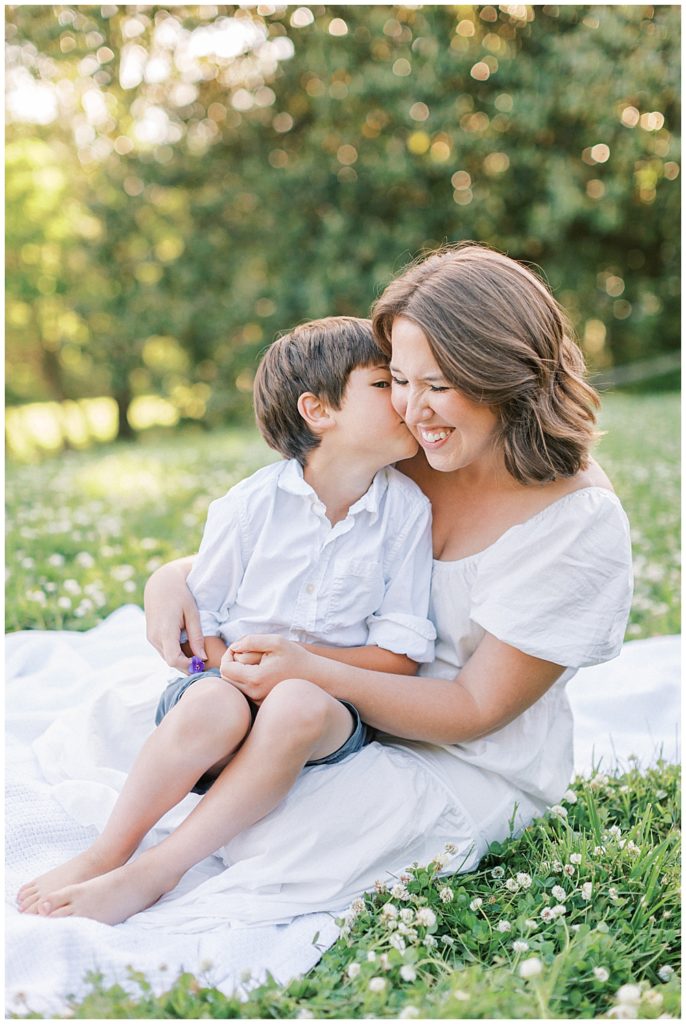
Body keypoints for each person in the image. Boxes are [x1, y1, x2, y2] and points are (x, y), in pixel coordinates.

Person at [21, 243, 633, 928]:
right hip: (324, 702)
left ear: (507, 375)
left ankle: (157, 871)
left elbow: (474, 707)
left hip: (456, 754)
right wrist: (174, 577)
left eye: (438, 384)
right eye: (399, 380)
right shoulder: (407, 454)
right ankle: (141, 846)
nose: (413, 409)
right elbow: (300, 553)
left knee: (295, 839)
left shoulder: (574, 522)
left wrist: (312, 671)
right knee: (164, 728)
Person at [17, 315, 436, 923]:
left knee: (296, 701)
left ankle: (156, 873)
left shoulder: (407, 513)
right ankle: (109, 852)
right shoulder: (248, 507)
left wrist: (307, 668)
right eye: (383, 384)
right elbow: (197, 630)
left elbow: (399, 656)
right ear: (318, 411)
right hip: (226, 691)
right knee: (214, 703)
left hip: (326, 709)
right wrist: (225, 667)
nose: (404, 399)